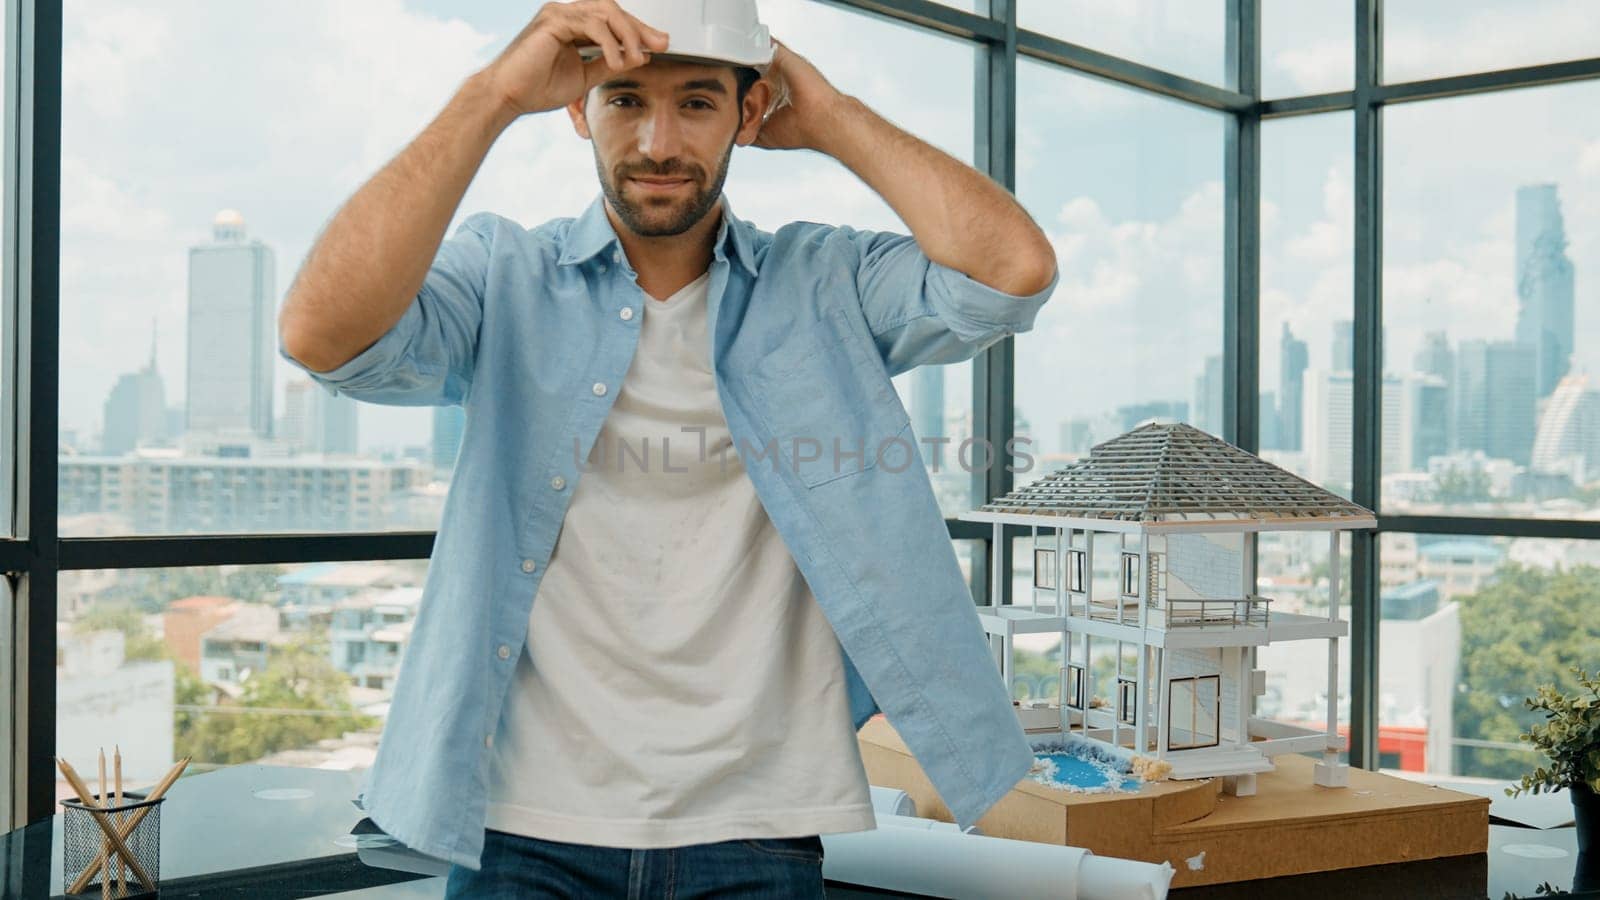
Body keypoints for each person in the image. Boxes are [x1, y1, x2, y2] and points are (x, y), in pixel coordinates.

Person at [278, 0, 1058, 896]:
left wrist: (834, 117)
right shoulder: (504, 274)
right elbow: (320, 335)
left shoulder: (824, 281)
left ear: (750, 112)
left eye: (695, 102)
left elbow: (1014, 273)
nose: (657, 143)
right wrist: (492, 95)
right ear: (578, 110)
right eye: (623, 102)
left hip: (759, 821)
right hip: (523, 824)